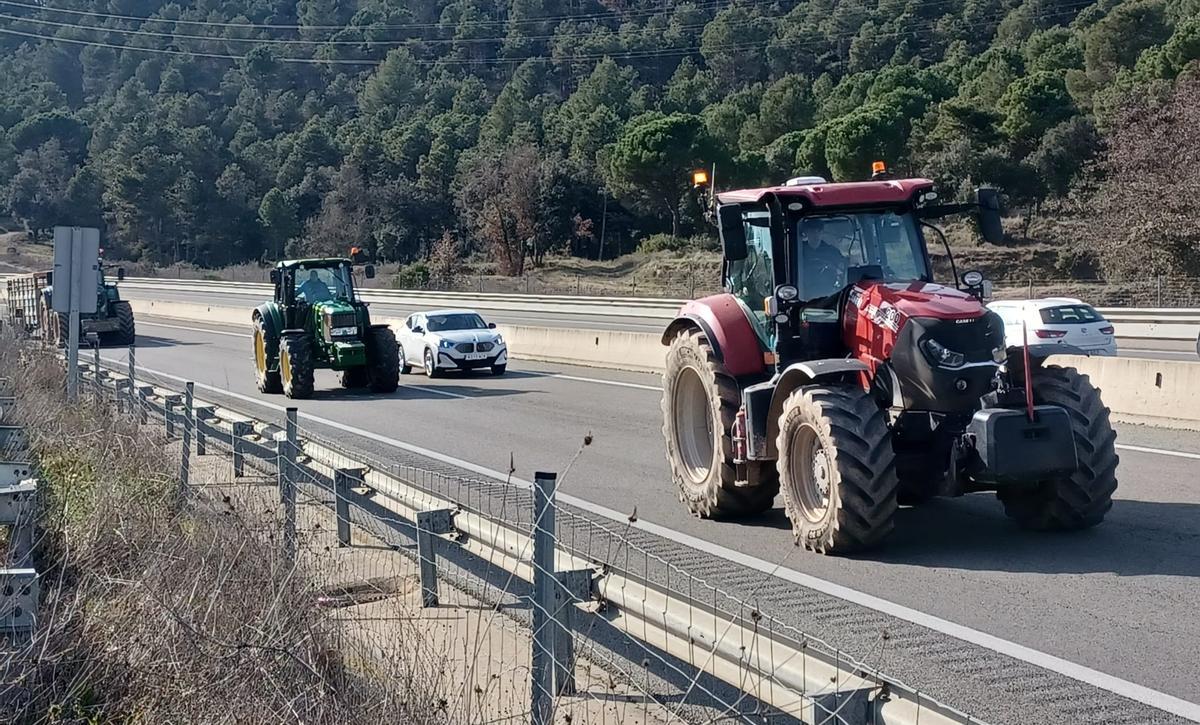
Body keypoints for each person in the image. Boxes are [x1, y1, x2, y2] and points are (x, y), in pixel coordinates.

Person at [798, 218, 847, 299]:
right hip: (804, 294)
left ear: (822, 232)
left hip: (829, 293)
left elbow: (842, 272)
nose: (816, 234)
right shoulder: (798, 250)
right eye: (812, 231)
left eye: (819, 231)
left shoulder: (833, 252)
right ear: (806, 233)